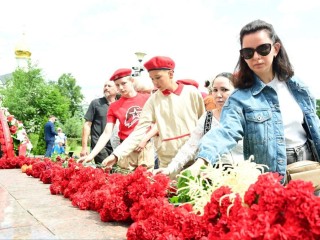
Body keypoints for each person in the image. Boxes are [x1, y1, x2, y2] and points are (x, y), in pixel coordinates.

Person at [185, 19, 320, 183]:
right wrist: (202, 161)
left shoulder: (297, 86)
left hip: (308, 165)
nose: (256, 57)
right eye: (248, 52)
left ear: (275, 49)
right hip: (272, 173)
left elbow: (314, 126)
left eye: (263, 49)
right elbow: (226, 131)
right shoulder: (240, 99)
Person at [102, 56, 205, 171]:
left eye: (158, 77)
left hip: (193, 155)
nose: (155, 83)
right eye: (152, 79)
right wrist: (116, 155)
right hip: (167, 160)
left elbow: (203, 124)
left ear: (171, 74)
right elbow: (139, 130)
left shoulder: (191, 93)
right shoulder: (153, 100)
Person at [155, 72, 243, 177]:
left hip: (242, 176)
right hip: (212, 179)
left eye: (224, 90)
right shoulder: (207, 118)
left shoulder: (246, 117)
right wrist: (170, 168)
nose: (218, 95)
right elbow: (191, 146)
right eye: (215, 90)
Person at [78, 68, 154, 170]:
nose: (121, 88)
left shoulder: (147, 99)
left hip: (145, 147)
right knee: (125, 182)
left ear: (132, 81)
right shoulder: (114, 106)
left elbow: (157, 124)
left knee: (148, 181)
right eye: (117, 85)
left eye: (123, 83)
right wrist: (91, 155)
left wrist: (144, 140)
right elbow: (106, 133)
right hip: (125, 150)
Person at [80, 80, 118, 164]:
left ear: (117, 89)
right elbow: (87, 125)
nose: (106, 88)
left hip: (116, 145)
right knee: (104, 171)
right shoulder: (96, 103)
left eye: (109, 86)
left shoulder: (120, 104)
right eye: (105, 86)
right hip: (99, 145)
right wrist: (84, 147)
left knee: (117, 173)